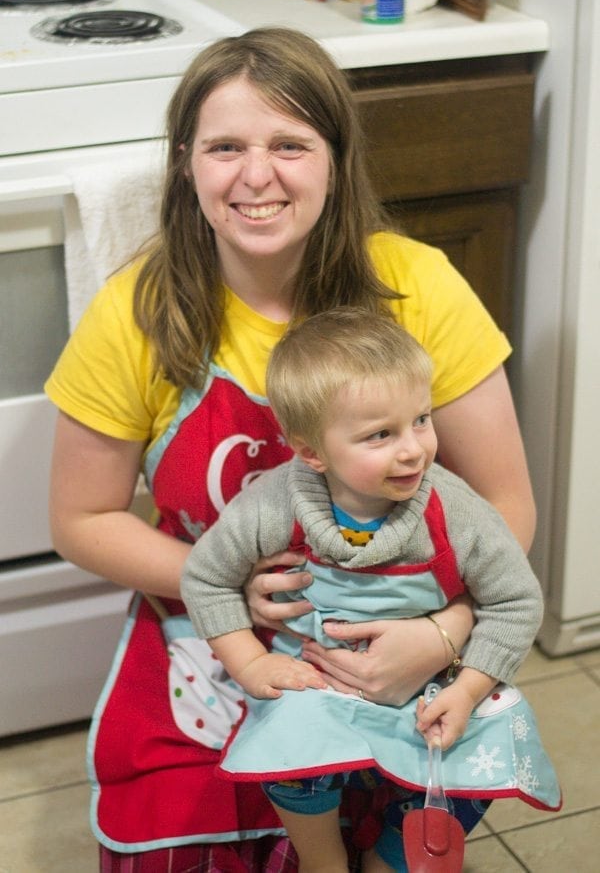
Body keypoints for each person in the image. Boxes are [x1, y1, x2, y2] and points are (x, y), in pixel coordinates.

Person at [45, 27, 537, 871]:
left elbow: (506, 505)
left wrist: (445, 632)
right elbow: (81, 518)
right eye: (225, 147)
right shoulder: (137, 311)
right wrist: (227, 591)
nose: (256, 175)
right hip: (203, 643)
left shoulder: (419, 287)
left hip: (400, 626)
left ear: (337, 160)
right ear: (185, 163)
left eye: (289, 145)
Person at [181, 307, 559, 873]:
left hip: (435, 684)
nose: (413, 449)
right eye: (381, 434)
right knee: (290, 744)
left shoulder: (454, 511)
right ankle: (322, 859)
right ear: (311, 452)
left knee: (478, 763)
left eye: (422, 420)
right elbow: (205, 576)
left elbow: (517, 601)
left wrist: (469, 689)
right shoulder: (276, 502)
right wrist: (251, 665)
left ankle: (389, 857)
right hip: (319, 684)